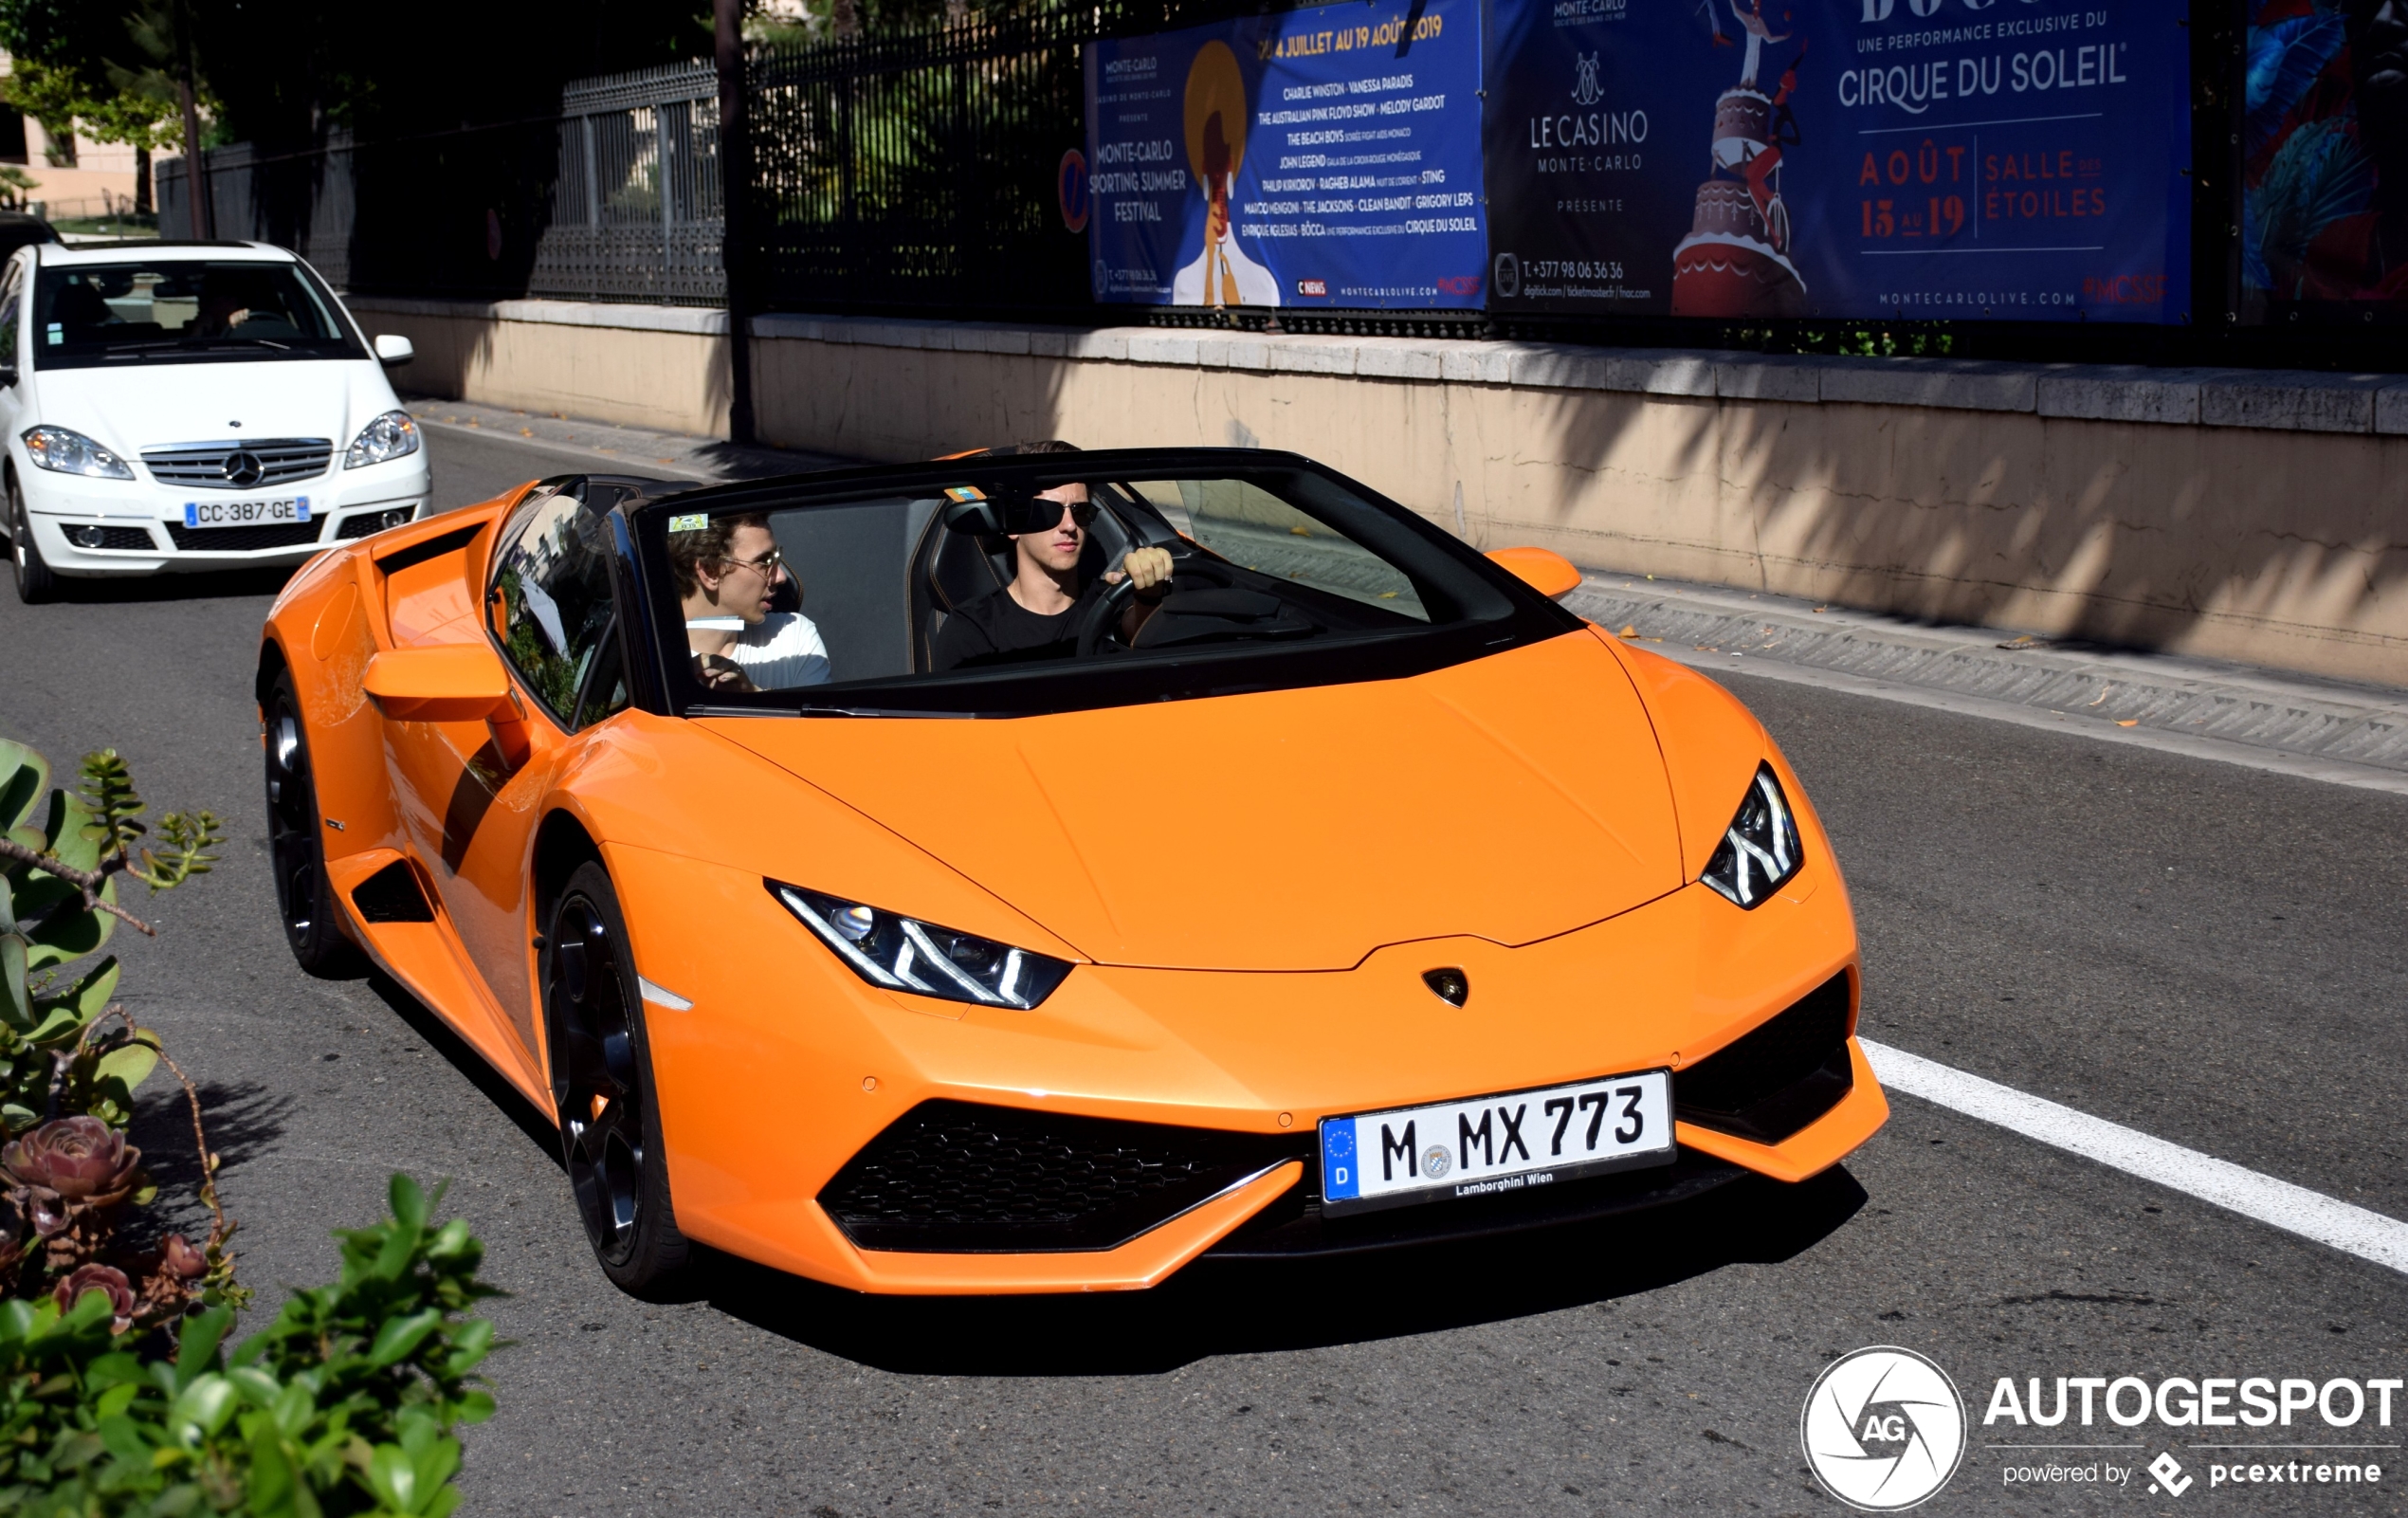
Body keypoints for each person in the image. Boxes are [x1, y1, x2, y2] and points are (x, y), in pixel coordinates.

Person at [931, 479, 1174, 670]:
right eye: (1049, 511)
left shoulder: (1109, 603)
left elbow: (1138, 631)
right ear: (1015, 526)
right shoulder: (972, 629)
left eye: (1080, 511)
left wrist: (1149, 591)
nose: (1070, 526)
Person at [671, 512, 830, 691]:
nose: (781, 577)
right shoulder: (653, 666)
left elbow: (821, 720)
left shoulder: (793, 637)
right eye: (765, 562)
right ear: (710, 571)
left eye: (777, 559)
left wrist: (752, 693)